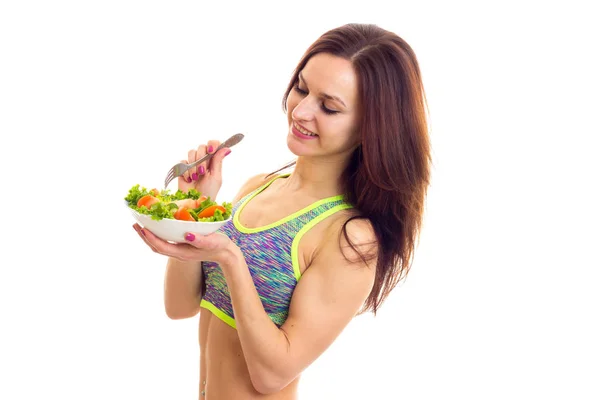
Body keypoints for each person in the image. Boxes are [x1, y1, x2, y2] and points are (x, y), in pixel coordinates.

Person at [133, 22, 431, 399]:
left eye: (329, 106)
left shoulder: (348, 238)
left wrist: (231, 259)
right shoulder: (257, 188)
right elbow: (180, 307)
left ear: (368, 128)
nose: (302, 110)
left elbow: (270, 377)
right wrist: (192, 212)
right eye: (302, 88)